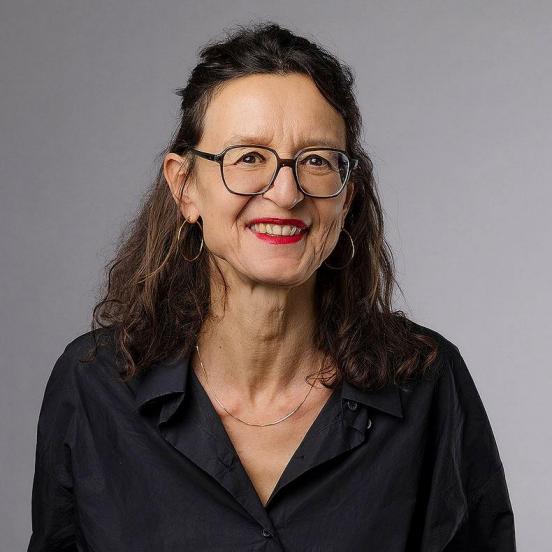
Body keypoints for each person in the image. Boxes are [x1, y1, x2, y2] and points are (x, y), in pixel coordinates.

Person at [27, 22, 516, 551]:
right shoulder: (93, 386)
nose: (286, 193)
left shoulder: (427, 383)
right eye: (248, 158)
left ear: (347, 196)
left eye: (316, 161)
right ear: (184, 187)